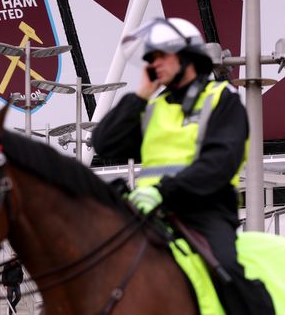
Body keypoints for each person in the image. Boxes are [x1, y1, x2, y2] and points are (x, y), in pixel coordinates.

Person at [93, 17, 275, 315]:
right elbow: (104, 144)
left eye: (161, 56)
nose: (154, 64)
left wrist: (164, 191)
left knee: (227, 269)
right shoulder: (152, 106)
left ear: (188, 56)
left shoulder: (222, 99)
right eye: (150, 59)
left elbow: (219, 163)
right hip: (147, 211)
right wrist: (139, 95)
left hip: (203, 210)